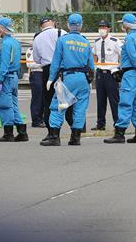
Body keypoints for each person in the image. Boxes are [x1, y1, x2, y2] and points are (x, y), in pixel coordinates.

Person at [40, 14, 95, 147]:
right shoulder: (85, 41)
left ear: (68, 25)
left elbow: (56, 62)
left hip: (68, 78)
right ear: (81, 25)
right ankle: (75, 138)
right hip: (83, 79)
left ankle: (54, 136)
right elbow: (92, 65)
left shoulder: (63, 40)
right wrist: (90, 80)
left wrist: (50, 79)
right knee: (80, 109)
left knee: (58, 106)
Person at [105, 14, 136, 144]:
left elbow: (132, 56)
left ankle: (119, 134)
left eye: (122, 23)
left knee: (125, 103)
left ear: (126, 25)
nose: (121, 26)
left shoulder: (130, 38)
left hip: (131, 74)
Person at [0, 17, 27, 143]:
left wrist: (0, 80)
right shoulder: (15, 42)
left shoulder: (6, 44)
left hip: (6, 77)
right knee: (14, 105)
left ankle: (8, 134)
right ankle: (22, 132)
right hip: (14, 77)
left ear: (3, 28)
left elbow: (5, 64)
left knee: (4, 105)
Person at [31, 17, 67, 128]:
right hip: (63, 68)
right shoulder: (62, 33)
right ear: (53, 23)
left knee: (49, 100)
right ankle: (75, 127)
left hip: (47, 69)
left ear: (41, 26)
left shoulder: (38, 37)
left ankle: (51, 127)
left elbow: (36, 59)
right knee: (67, 98)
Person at [92, 20, 121, 131]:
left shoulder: (115, 41)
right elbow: (94, 55)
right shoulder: (97, 41)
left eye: (104, 27)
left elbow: (122, 54)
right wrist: (95, 68)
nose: (102, 29)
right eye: (100, 27)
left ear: (109, 29)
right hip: (100, 73)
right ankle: (100, 123)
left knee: (114, 100)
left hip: (111, 74)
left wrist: (119, 69)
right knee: (100, 100)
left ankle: (118, 123)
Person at [25, 46, 44, 128]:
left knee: (44, 98)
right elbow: (29, 64)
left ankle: (42, 119)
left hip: (44, 73)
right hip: (36, 73)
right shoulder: (31, 50)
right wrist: (42, 64)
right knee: (37, 98)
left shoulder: (44, 48)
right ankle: (36, 120)